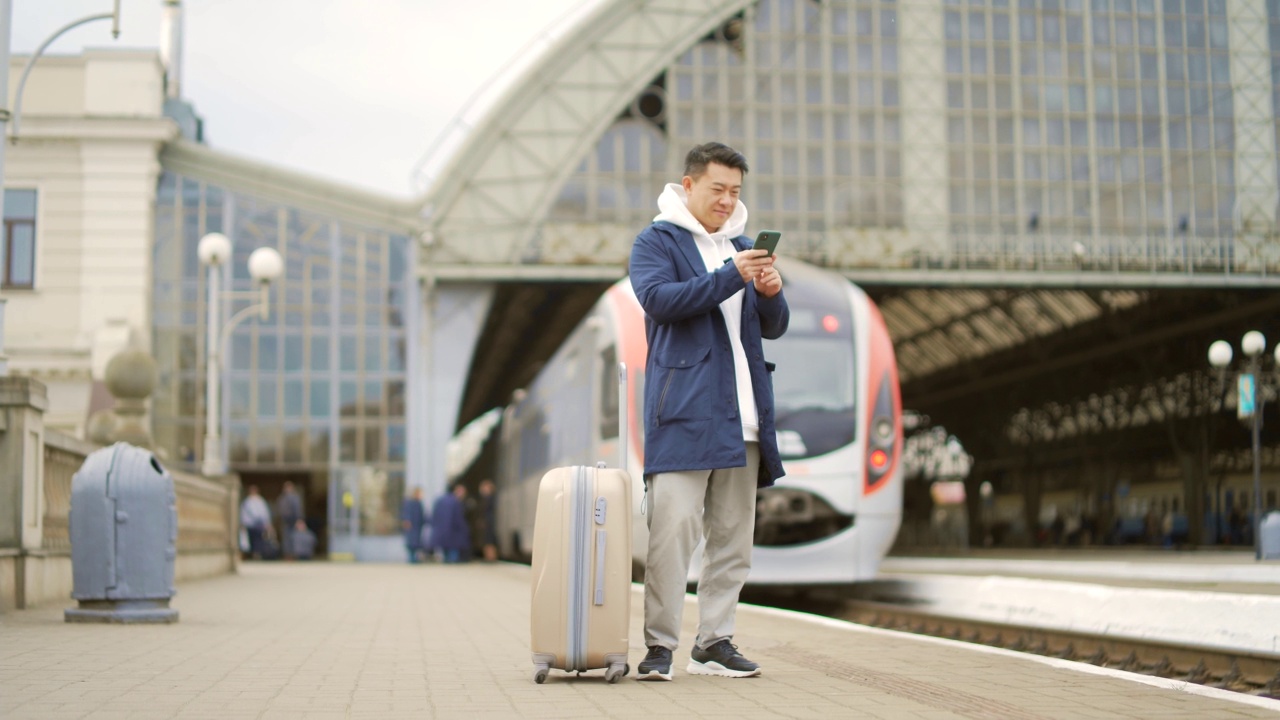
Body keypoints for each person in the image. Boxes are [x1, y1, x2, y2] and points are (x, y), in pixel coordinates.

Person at [628, 142, 788, 681]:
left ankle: (714, 641)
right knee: (671, 534)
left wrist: (769, 290)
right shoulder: (656, 241)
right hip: (684, 413)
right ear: (689, 184)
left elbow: (773, 326)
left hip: (742, 416)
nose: (727, 200)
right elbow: (659, 300)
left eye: (736, 191)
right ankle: (658, 647)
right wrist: (730, 276)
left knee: (732, 539)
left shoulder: (742, 246)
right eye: (718, 188)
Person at [430, 483, 471, 563]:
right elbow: (458, 519)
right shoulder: (456, 502)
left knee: (445, 554)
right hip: (453, 533)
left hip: (441, 532)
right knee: (453, 555)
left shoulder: (439, 500)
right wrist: (465, 529)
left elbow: (434, 516)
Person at [239, 485, 273, 560]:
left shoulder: (260, 501)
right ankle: (251, 554)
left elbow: (265, 513)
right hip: (250, 524)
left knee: (258, 540)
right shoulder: (247, 502)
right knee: (250, 539)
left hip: (259, 524)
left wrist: (267, 523)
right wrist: (243, 523)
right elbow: (243, 514)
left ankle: (256, 554)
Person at [276, 481, 303, 558]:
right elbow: (279, 509)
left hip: (293, 521)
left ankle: (294, 554)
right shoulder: (282, 498)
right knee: (286, 538)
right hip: (285, 521)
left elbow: (298, 509)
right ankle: (288, 554)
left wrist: (299, 520)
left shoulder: (294, 498)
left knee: (294, 538)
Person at [400, 487, 428, 563]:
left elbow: (422, 516)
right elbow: (406, 513)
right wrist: (407, 521)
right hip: (411, 527)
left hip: (417, 526)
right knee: (412, 543)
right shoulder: (409, 502)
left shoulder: (418, 503)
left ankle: (414, 558)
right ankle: (412, 559)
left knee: (416, 544)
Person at [474, 479, 499, 562]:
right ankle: (489, 557)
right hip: (488, 522)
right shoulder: (489, 499)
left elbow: (483, 511)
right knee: (487, 540)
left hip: (488, 522)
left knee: (488, 540)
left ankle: (490, 558)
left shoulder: (488, 499)